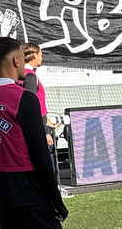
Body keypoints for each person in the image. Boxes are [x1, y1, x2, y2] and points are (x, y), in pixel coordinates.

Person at [0, 37, 68, 229]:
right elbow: (40, 156)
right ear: (16, 60)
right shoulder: (24, 98)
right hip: (26, 186)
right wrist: (56, 201)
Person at [22, 43, 72, 199]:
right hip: (38, 126)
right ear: (34, 56)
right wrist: (43, 129)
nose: (41, 57)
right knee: (47, 158)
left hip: (40, 122)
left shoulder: (25, 75)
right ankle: (53, 189)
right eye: (40, 54)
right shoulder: (30, 77)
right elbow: (30, 105)